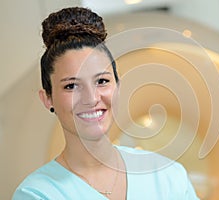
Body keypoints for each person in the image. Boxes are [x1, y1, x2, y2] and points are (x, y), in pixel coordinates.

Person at [12, 7, 199, 200]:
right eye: (72, 86)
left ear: (117, 86)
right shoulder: (37, 194)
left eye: (101, 81)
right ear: (47, 98)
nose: (91, 98)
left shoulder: (168, 176)